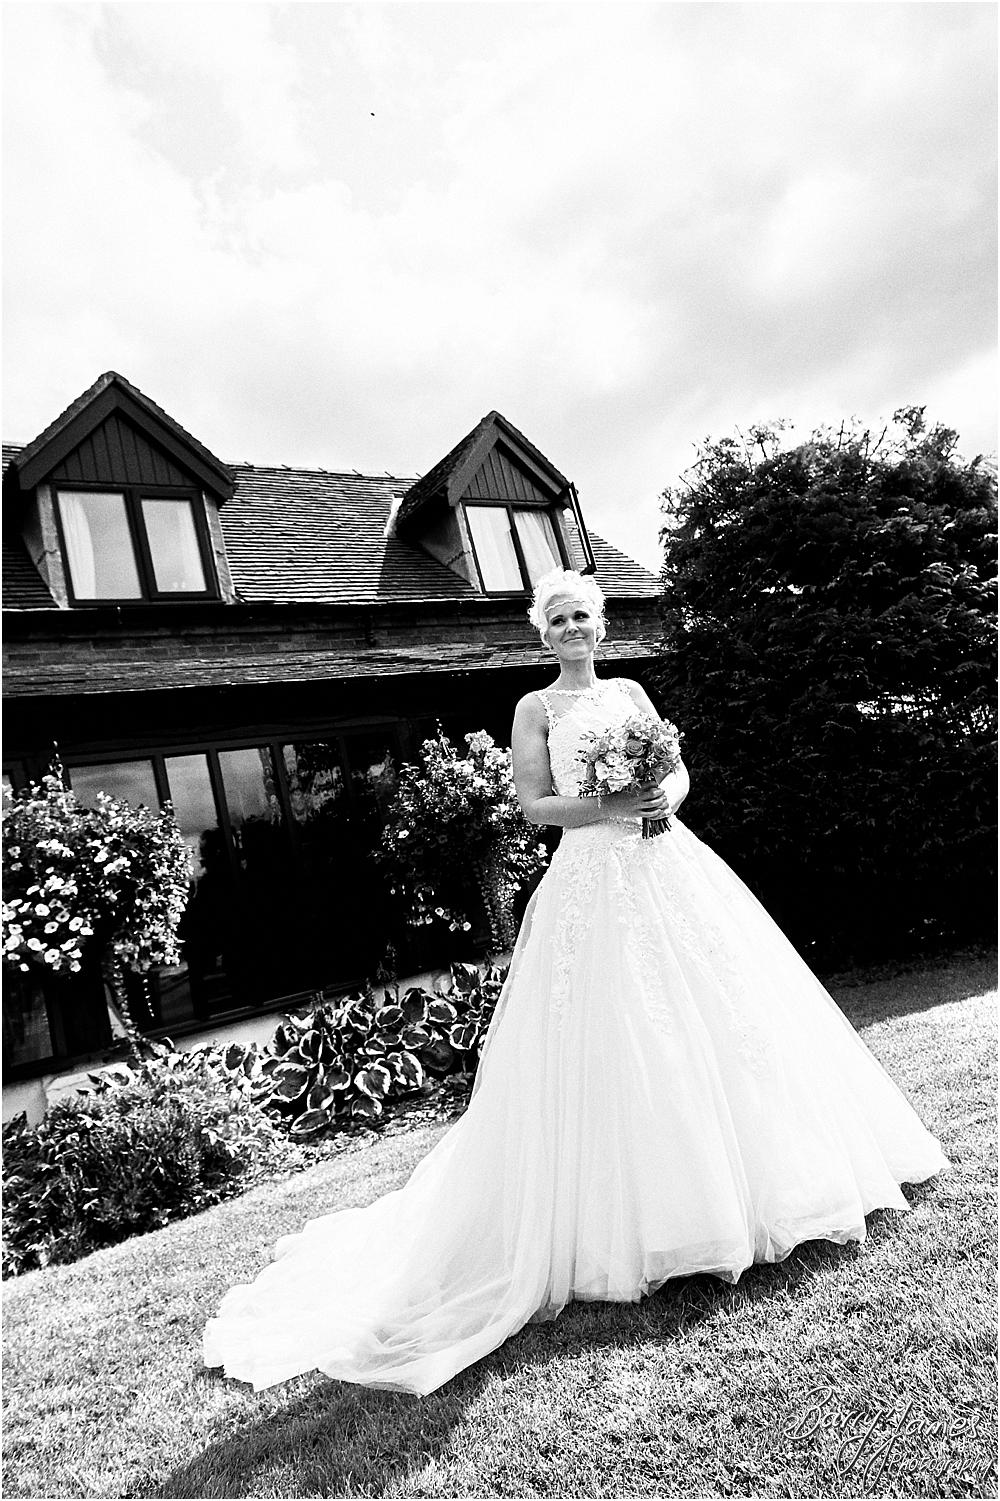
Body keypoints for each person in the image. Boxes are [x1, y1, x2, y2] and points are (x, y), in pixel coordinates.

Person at [203, 568, 950, 1397]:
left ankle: (774, 1189)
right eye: (556, 618)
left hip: (667, 864)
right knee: (620, 1036)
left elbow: (676, 770)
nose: (570, 628)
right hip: (591, 882)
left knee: (722, 1019)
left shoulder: (631, 688)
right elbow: (534, 804)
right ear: (541, 631)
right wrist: (611, 803)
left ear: (602, 624)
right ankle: (650, 1225)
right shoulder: (536, 709)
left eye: (581, 616)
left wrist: (662, 794)